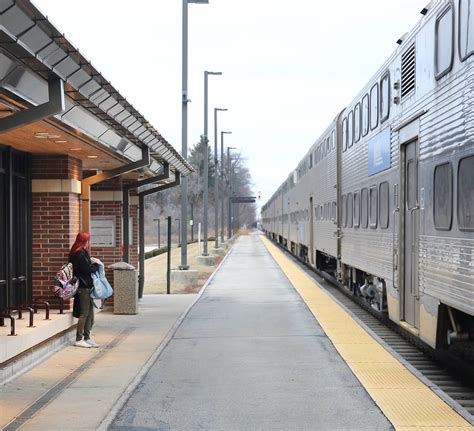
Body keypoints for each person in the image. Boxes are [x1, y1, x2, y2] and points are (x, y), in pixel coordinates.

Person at [69, 232, 100, 348]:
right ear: (84, 241)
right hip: (83, 287)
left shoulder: (79, 252)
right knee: (85, 313)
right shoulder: (79, 253)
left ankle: (87, 337)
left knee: (90, 313)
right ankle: (79, 339)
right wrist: (95, 266)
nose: (88, 243)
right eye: (87, 240)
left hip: (86, 286)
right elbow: (86, 269)